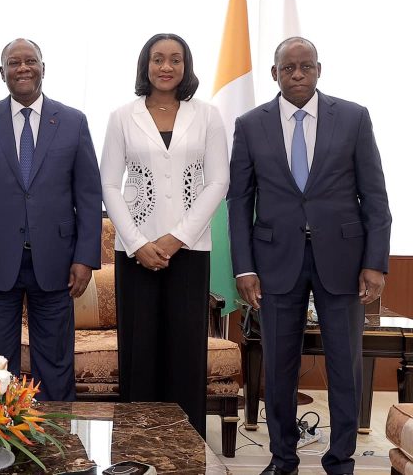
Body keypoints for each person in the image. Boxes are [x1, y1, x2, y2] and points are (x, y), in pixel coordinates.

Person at [228, 37, 391, 475]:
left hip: (344, 260)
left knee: (345, 366)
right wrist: (244, 267)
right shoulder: (250, 125)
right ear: (274, 74)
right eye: (288, 68)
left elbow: (375, 196)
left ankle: (341, 461)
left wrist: (375, 262)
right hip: (275, 262)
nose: (297, 74)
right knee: (279, 367)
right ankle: (283, 459)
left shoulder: (354, 118)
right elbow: (239, 203)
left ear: (319, 69)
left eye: (306, 66)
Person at [0, 37, 102, 401]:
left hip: (56, 262)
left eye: (30, 61)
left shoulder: (73, 121)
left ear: (43, 68)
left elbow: (88, 195)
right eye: (14, 63)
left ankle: (55, 433)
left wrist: (85, 258)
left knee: (55, 363)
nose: (23, 68)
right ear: (2, 72)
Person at [99, 32, 228, 438]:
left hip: (190, 251)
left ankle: (186, 448)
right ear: (146, 65)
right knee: (139, 352)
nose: (166, 67)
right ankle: (136, 445)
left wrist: (177, 238)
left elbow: (218, 182)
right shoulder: (123, 116)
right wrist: (138, 243)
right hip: (135, 252)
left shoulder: (207, 116)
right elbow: (109, 184)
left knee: (185, 352)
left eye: (175, 59)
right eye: (158, 59)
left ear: (186, 67)